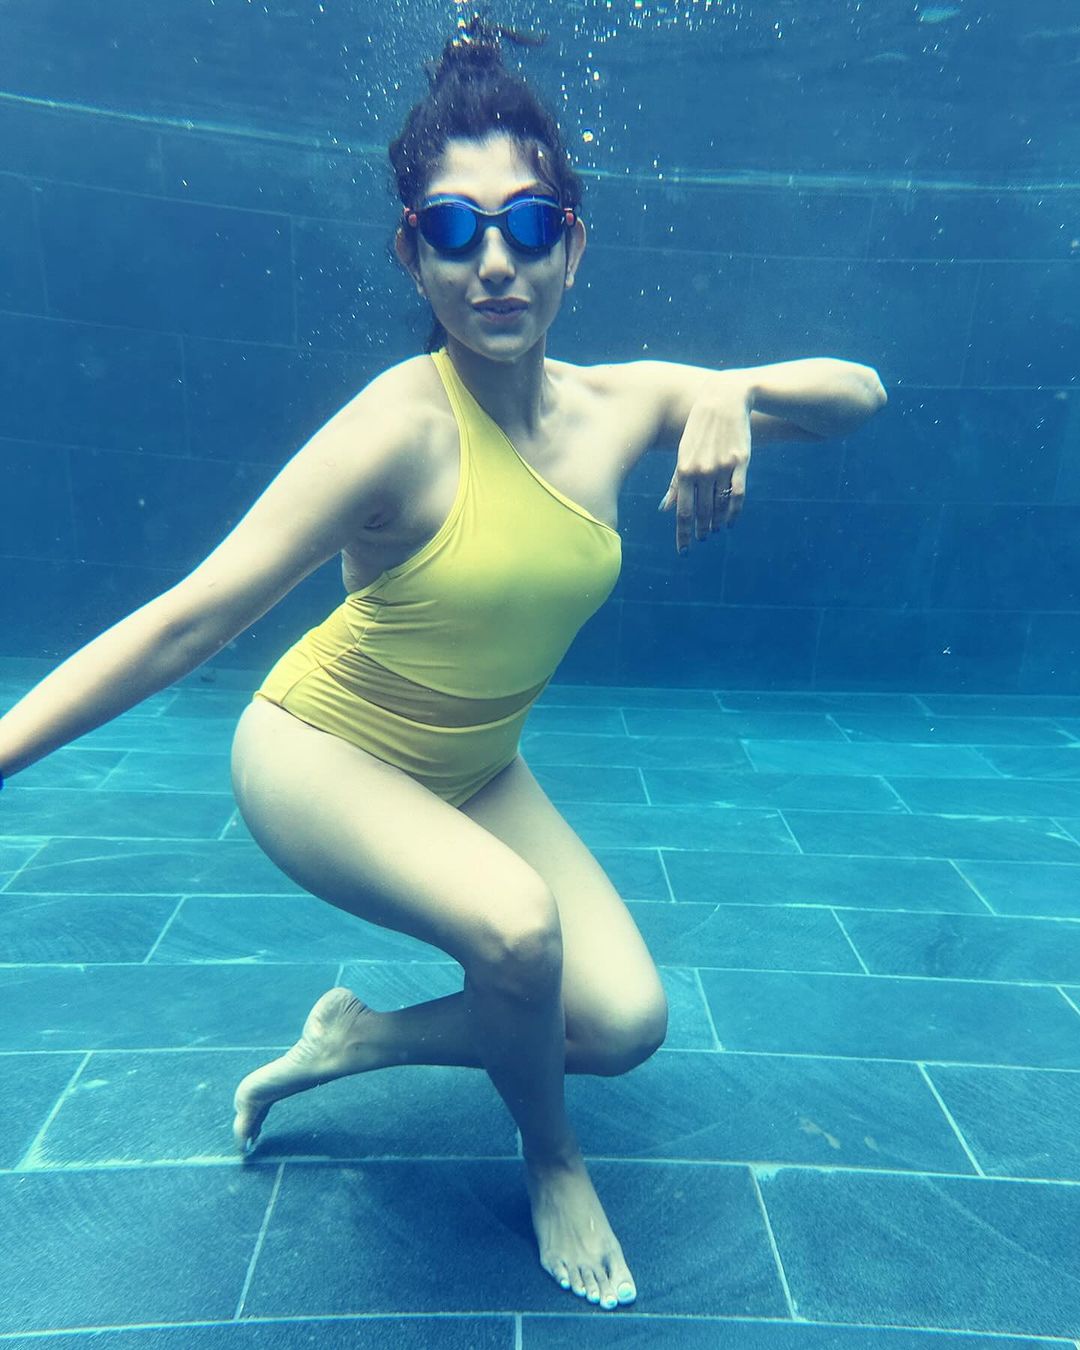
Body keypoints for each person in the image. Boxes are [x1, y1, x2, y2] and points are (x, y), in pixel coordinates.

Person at [0, 14, 886, 1314]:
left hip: (474, 764)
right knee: (517, 929)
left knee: (624, 1024)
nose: (495, 262)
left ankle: (360, 1037)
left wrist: (729, 389)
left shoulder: (625, 402)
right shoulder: (395, 428)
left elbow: (859, 391)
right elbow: (189, 620)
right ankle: (553, 1159)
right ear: (413, 254)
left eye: (527, 224)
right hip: (320, 751)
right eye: (454, 229)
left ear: (572, 245)